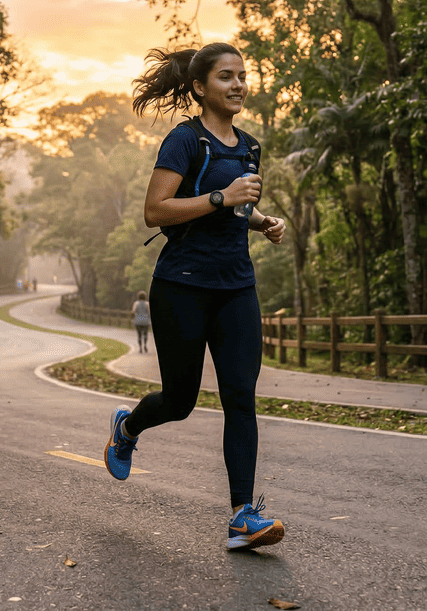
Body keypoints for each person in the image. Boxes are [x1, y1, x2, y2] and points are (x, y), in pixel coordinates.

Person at [103, 42, 287, 551]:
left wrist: (260, 221)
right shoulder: (185, 141)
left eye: (243, 76)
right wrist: (221, 197)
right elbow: (156, 211)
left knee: (240, 397)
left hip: (236, 287)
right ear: (201, 87)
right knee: (180, 400)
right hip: (182, 285)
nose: (237, 85)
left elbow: (230, 212)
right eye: (226, 76)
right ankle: (129, 426)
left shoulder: (249, 146)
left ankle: (241, 517)